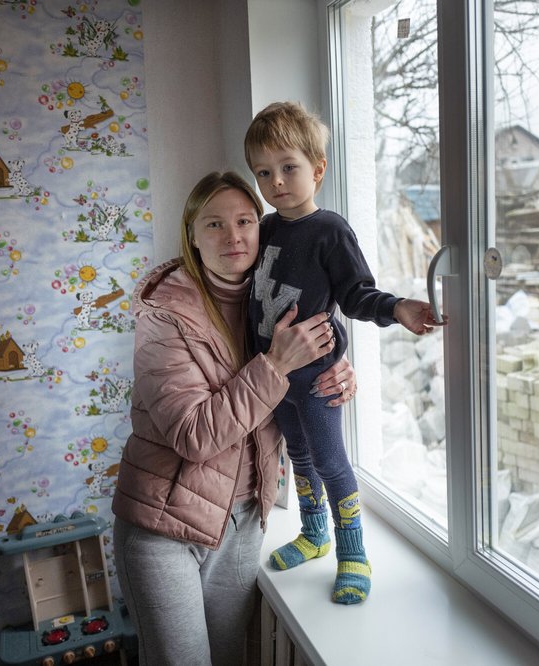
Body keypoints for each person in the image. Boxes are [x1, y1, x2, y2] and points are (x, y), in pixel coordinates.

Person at [111, 171, 358, 666]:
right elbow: (194, 435)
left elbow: (304, 372)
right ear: (193, 235)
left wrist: (336, 373)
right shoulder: (164, 317)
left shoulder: (272, 303)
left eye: (246, 221)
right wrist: (278, 365)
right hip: (165, 525)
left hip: (245, 518)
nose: (234, 236)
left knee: (228, 658)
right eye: (215, 224)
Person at [243, 101, 444, 605]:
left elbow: (355, 295)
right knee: (299, 454)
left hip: (316, 379)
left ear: (318, 167)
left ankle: (352, 551)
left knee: (331, 461)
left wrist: (396, 308)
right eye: (264, 173)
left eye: (288, 168)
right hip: (276, 379)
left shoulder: (330, 229)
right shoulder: (265, 230)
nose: (277, 182)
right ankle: (314, 535)